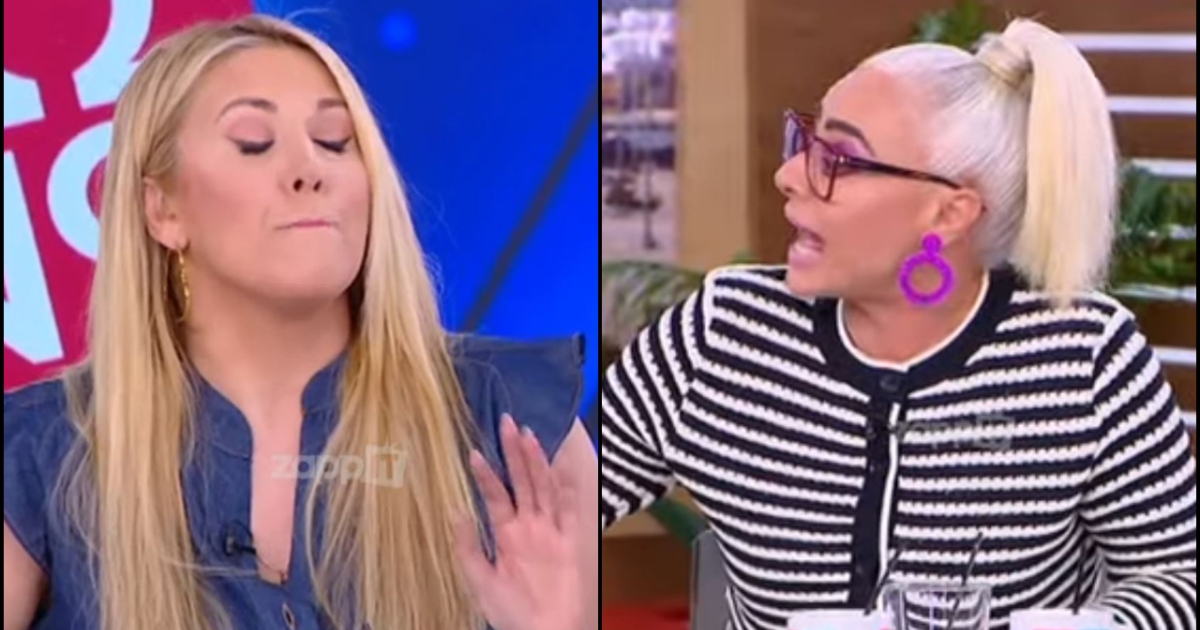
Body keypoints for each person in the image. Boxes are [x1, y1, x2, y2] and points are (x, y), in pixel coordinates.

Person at [3, 15, 597, 630]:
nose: (310, 169)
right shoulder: (39, 455)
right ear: (163, 211)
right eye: (253, 142)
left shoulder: (511, 418)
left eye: (336, 141)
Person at [600, 17, 1196, 630]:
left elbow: (1179, 580)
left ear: (949, 213)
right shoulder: (724, 333)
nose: (790, 175)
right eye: (806, 141)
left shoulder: (1084, 356)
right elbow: (557, 491)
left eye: (839, 159)